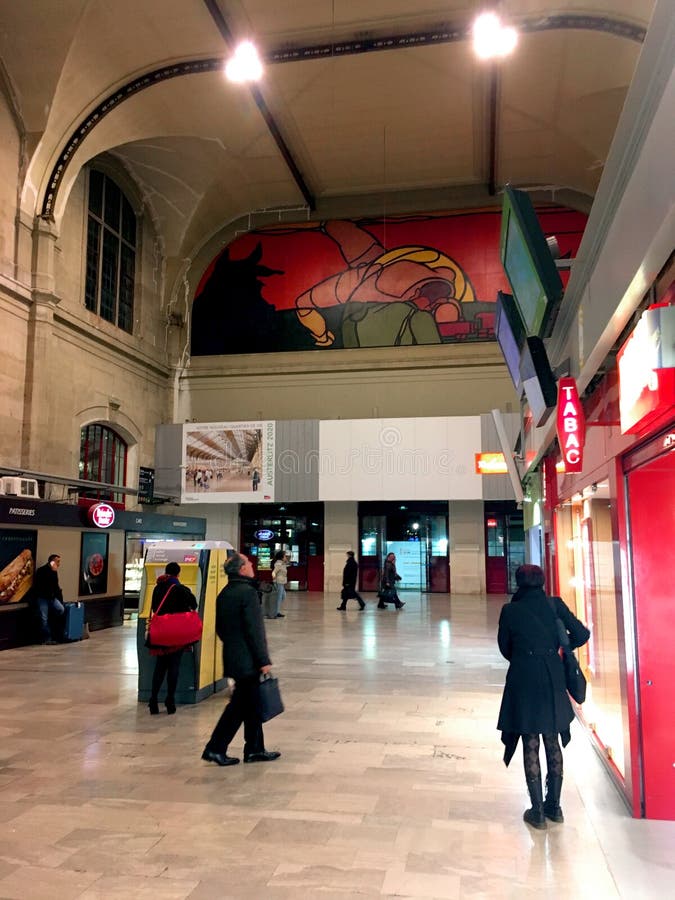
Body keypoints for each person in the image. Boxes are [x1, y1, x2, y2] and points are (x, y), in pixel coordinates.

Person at [497, 564, 590, 830]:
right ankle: (555, 806)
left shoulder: (510, 610)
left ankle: (536, 810)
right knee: (552, 737)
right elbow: (582, 634)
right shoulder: (554, 605)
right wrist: (556, 648)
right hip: (552, 676)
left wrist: (527, 655)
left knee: (530, 739)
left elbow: (505, 647)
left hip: (523, 677)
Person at [202, 552, 280, 767]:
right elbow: (255, 631)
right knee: (238, 707)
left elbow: (221, 628)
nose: (252, 564)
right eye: (248, 562)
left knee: (251, 705)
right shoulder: (247, 593)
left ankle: (255, 749)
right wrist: (263, 660)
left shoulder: (226, 592)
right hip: (248, 661)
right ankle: (215, 748)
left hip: (234, 656)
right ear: (241, 569)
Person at [148, 562, 198, 715]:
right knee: (174, 666)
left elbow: (155, 608)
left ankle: (153, 700)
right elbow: (194, 605)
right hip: (176, 633)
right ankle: (170, 700)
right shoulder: (182, 589)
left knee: (160, 667)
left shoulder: (157, 587)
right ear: (179, 574)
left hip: (160, 632)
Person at [33, 554, 65, 644]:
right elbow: (41, 585)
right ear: (52, 561)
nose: (59, 564)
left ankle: (54, 627)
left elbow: (55, 586)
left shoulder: (54, 571)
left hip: (51, 598)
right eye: (57, 561)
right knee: (43, 619)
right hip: (42, 598)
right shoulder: (42, 571)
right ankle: (47, 638)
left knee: (61, 609)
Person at [270, 550, 289, 619]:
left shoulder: (282, 563)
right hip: (278, 582)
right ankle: (275, 612)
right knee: (279, 597)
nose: (286, 557)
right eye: (284, 556)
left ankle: (276, 610)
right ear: (281, 557)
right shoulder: (278, 564)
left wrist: (286, 561)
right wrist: (274, 580)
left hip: (282, 582)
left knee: (283, 596)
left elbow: (287, 563)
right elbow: (273, 572)